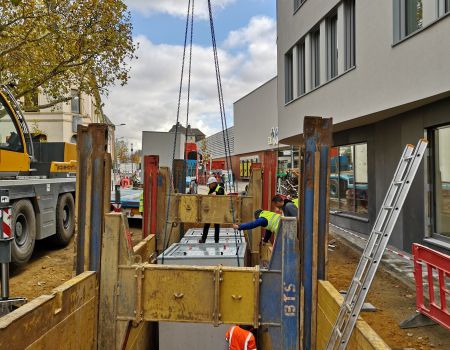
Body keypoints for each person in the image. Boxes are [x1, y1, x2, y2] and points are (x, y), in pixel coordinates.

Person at [199, 176, 224, 243]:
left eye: (209, 184)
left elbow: (221, 193)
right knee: (206, 224)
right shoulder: (211, 190)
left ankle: (216, 241)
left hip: (217, 210)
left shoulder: (220, 188)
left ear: (213, 183)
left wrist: (216, 194)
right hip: (211, 210)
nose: (208, 186)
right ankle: (203, 239)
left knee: (216, 226)